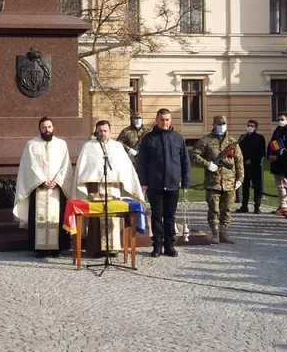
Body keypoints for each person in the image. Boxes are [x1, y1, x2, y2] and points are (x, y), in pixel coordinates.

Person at [75, 120, 144, 255]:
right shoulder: (89, 147)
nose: (103, 133)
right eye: (100, 131)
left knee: (113, 218)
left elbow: (125, 168)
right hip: (95, 188)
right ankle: (96, 248)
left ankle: (112, 249)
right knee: (96, 218)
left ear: (110, 131)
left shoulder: (117, 147)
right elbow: (83, 168)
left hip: (113, 189)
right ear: (96, 131)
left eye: (105, 131)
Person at [12, 117, 74, 257]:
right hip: (38, 187)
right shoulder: (31, 144)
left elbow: (66, 166)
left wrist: (57, 181)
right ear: (40, 129)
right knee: (38, 217)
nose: (47, 130)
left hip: (57, 188)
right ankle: (39, 249)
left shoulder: (61, 144)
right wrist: (41, 181)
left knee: (56, 217)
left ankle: (56, 248)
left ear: (54, 127)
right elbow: (29, 166)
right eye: (44, 127)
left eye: (49, 127)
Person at [136, 109, 191, 258]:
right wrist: (144, 181)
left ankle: (169, 245)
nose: (165, 122)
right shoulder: (149, 139)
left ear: (170, 120)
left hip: (173, 183)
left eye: (167, 120)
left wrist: (186, 180)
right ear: (157, 120)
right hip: (155, 183)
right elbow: (141, 162)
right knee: (156, 216)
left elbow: (185, 161)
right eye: (162, 120)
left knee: (170, 217)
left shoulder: (178, 138)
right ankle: (157, 246)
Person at [191, 115, 244, 243]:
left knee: (226, 209)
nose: (221, 126)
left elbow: (239, 162)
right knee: (213, 209)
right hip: (213, 182)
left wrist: (240, 179)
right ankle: (215, 233)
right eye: (219, 124)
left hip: (229, 182)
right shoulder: (205, 141)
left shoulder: (232, 142)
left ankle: (223, 233)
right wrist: (207, 164)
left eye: (223, 123)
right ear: (213, 125)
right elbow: (194, 155)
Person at [238, 119, 265, 214]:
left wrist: (252, 160)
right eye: (248, 125)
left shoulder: (260, 138)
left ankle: (257, 207)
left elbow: (261, 152)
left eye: (252, 126)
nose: (250, 127)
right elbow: (238, 151)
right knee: (245, 187)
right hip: (244, 166)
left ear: (256, 128)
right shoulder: (243, 137)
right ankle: (244, 206)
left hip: (255, 166)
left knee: (257, 187)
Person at [268, 112, 287, 215]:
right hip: (275, 162)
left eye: (282, 119)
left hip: (284, 162)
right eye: (278, 119)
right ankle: (283, 205)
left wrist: (278, 156)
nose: (280, 121)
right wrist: (270, 155)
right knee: (279, 185)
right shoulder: (277, 130)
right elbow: (271, 143)